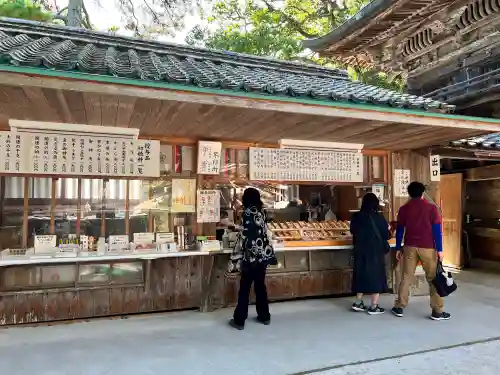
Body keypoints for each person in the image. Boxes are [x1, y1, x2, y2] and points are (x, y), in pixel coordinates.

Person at [391, 181, 450, 321]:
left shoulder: (404, 209)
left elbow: (400, 230)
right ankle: (437, 311)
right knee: (433, 278)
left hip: (410, 246)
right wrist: (440, 249)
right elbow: (437, 231)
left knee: (406, 276)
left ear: (409, 194)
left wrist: (398, 247)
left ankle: (399, 306)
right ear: (423, 193)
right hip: (428, 247)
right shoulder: (431, 208)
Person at [227, 187, 277, 330]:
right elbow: (262, 232)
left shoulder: (247, 212)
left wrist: (232, 227)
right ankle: (264, 316)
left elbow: (245, 234)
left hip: (250, 257)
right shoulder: (261, 212)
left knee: (244, 288)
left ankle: (239, 320)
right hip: (263, 255)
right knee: (260, 286)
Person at [350, 193, 390, 315]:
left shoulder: (356, 216)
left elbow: (352, 231)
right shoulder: (379, 218)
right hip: (375, 252)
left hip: (360, 250)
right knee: (376, 276)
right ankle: (374, 305)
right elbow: (385, 235)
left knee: (361, 274)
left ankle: (358, 302)